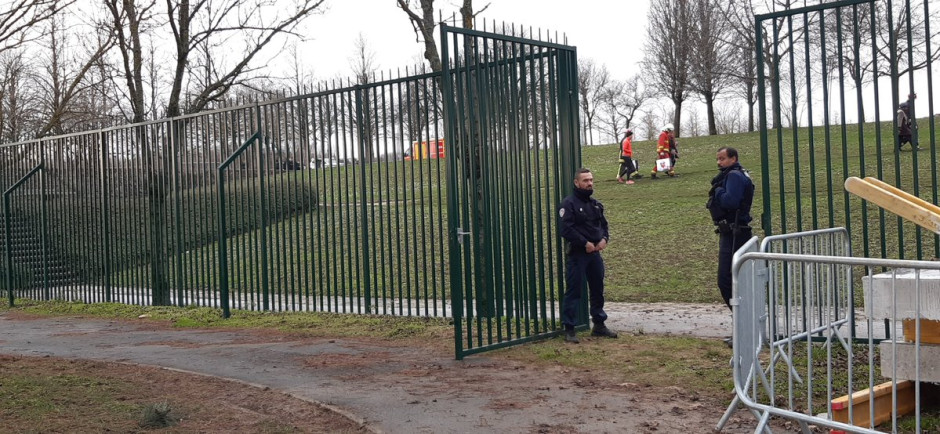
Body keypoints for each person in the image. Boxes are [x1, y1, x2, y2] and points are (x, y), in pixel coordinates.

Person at [558, 168, 618, 343]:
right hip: (578, 254)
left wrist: (604, 239)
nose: (590, 183)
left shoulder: (596, 205)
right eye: (585, 180)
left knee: (597, 289)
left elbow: (604, 226)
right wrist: (585, 243)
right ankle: (569, 328)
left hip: (595, 255)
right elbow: (566, 229)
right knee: (574, 290)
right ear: (577, 183)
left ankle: (599, 325)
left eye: (591, 180)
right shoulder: (568, 204)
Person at [707, 147, 755, 322]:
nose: (719, 162)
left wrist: (718, 191)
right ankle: (743, 324)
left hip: (735, 233)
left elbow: (730, 201)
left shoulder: (734, 176)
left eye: (722, 158)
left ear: (733, 158)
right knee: (734, 280)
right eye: (718, 159)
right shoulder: (738, 174)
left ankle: (743, 323)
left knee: (727, 280)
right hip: (734, 231)